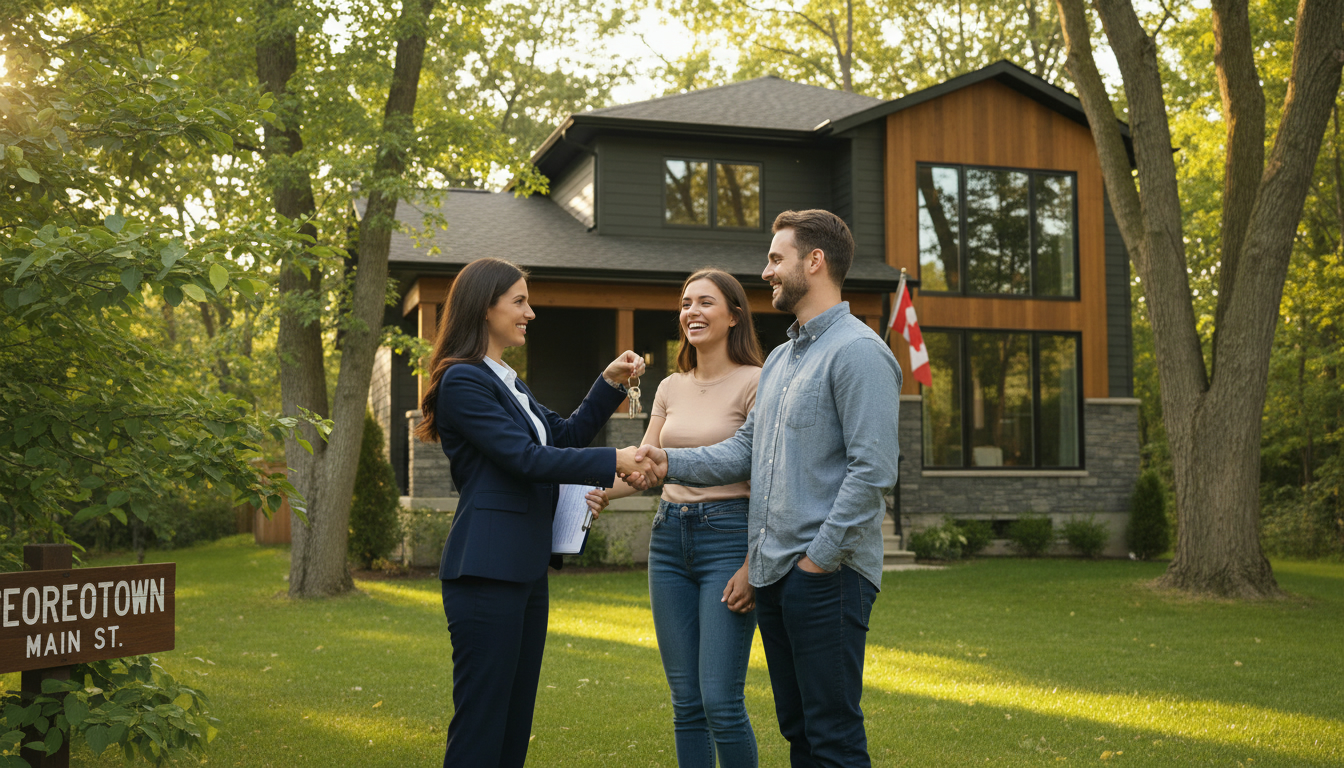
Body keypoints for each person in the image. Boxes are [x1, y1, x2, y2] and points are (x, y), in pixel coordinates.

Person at [629, 210, 902, 768]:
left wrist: (817, 562)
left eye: (776, 259)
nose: (767, 271)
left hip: (827, 575)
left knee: (833, 735)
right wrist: (667, 462)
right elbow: (742, 452)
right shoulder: (781, 359)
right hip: (777, 573)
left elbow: (872, 471)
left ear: (815, 261)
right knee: (800, 731)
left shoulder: (858, 351)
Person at [414, 257, 654, 768]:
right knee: (482, 725)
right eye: (519, 301)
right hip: (484, 572)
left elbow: (561, 437)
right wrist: (616, 459)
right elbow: (526, 460)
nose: (531, 313)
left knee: (514, 723)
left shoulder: (507, 381)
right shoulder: (462, 381)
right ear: (485, 308)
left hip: (524, 570)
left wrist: (608, 384)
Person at [609, 268, 764, 767]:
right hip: (668, 541)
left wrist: (752, 564)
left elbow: (767, 481)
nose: (691, 312)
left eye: (705, 302)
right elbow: (645, 461)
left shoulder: (757, 382)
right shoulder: (671, 386)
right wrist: (600, 494)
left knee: (721, 701)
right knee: (687, 704)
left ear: (734, 315)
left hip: (729, 540)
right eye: (685, 303)